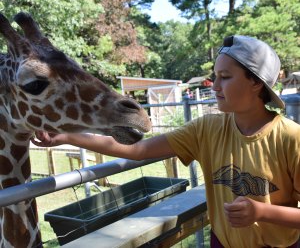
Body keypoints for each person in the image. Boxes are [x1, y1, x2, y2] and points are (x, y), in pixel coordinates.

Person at [31, 35, 300, 247]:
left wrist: (262, 213)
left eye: (225, 77)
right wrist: (67, 136)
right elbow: (138, 150)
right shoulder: (206, 128)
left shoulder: (290, 138)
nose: (215, 86)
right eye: (215, 76)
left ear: (255, 83)